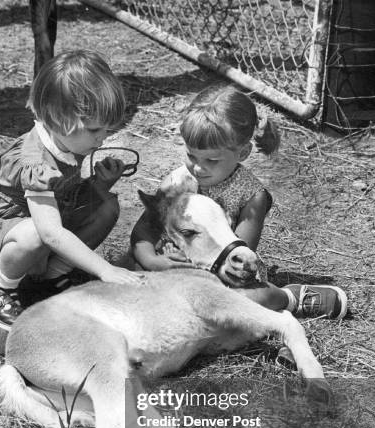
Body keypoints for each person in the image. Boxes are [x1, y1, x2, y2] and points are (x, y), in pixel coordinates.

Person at [131, 84, 347, 320]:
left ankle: (289, 298)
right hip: (168, 269)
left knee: (244, 299)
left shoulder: (253, 195)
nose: (198, 167)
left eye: (211, 159)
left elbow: (241, 258)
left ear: (243, 153)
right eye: (191, 155)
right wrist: (152, 261)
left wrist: (193, 271)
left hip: (224, 276)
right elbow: (143, 231)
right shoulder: (178, 181)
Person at [0, 50, 143, 326]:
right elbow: (50, 232)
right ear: (58, 119)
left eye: (107, 129)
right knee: (35, 234)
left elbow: (61, 193)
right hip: (9, 228)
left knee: (106, 205)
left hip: (51, 211)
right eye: (95, 130)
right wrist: (105, 269)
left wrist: (101, 183)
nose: (103, 138)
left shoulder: (68, 139)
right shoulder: (35, 161)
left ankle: (53, 275)